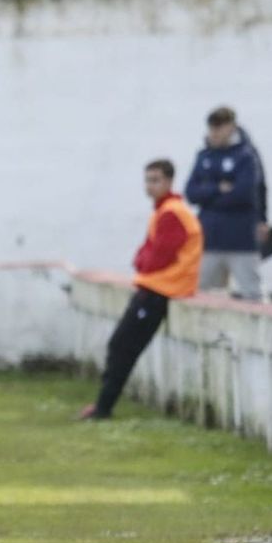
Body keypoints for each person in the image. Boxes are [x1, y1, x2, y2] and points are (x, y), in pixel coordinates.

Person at [79, 160, 203, 421]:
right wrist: (142, 260)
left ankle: (103, 407)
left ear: (169, 181)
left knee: (123, 347)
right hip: (155, 288)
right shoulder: (165, 211)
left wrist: (142, 263)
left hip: (160, 291)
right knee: (121, 347)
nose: (150, 186)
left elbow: (158, 255)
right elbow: (148, 250)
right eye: (148, 180)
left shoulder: (172, 212)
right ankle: (102, 404)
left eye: (156, 180)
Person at [185, 107, 265, 301]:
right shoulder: (204, 156)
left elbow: (243, 193)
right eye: (213, 128)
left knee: (251, 294)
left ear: (231, 127)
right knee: (202, 294)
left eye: (220, 128)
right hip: (209, 237)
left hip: (240, 238)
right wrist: (218, 188)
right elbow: (191, 192)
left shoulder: (246, 156)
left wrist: (209, 196)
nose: (215, 133)